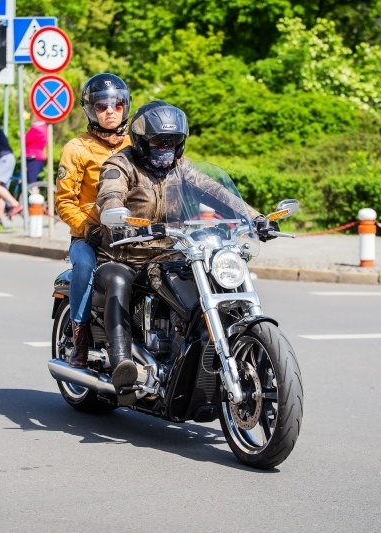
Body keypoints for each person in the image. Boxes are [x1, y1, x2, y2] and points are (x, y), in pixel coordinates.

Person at [94, 101, 278, 403]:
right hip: (125, 254)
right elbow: (110, 194)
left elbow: (218, 193)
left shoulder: (182, 169)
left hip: (170, 253)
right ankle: (122, 363)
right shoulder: (120, 165)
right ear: (140, 140)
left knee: (211, 276)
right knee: (117, 281)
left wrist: (256, 219)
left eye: (172, 141)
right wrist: (118, 217)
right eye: (157, 141)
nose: (165, 147)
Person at [54, 73, 131, 370]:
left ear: (125, 105)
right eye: (101, 105)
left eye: (116, 104)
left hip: (131, 233)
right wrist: (86, 228)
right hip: (89, 236)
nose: (110, 111)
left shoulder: (136, 143)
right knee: (84, 266)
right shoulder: (77, 148)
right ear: (91, 110)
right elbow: (64, 201)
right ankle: (80, 337)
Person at [24, 112, 47, 188]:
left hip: (33, 157)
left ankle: (35, 198)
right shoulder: (44, 127)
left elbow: (25, 140)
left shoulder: (36, 129)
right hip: (38, 157)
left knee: (32, 183)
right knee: (34, 182)